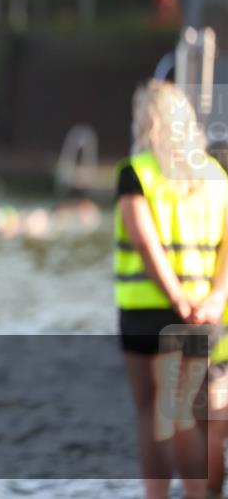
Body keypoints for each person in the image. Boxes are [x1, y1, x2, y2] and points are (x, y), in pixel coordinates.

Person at [115, 81, 228, 499]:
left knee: (152, 412)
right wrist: (214, 298)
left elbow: (145, 244)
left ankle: (157, 497)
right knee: (183, 414)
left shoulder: (137, 172)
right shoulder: (216, 175)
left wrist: (174, 298)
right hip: (202, 315)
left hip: (146, 312)